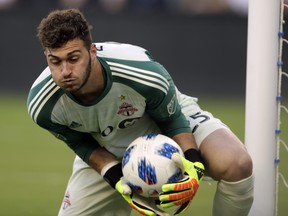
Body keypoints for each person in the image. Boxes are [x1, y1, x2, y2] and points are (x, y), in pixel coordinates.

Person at [27, 9, 254, 216]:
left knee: (236, 163)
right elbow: (82, 144)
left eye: (73, 59)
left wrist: (194, 165)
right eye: (54, 61)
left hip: (164, 119)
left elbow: (172, 120)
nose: (65, 71)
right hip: (108, 145)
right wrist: (116, 177)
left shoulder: (141, 71)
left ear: (92, 51)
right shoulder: (42, 105)